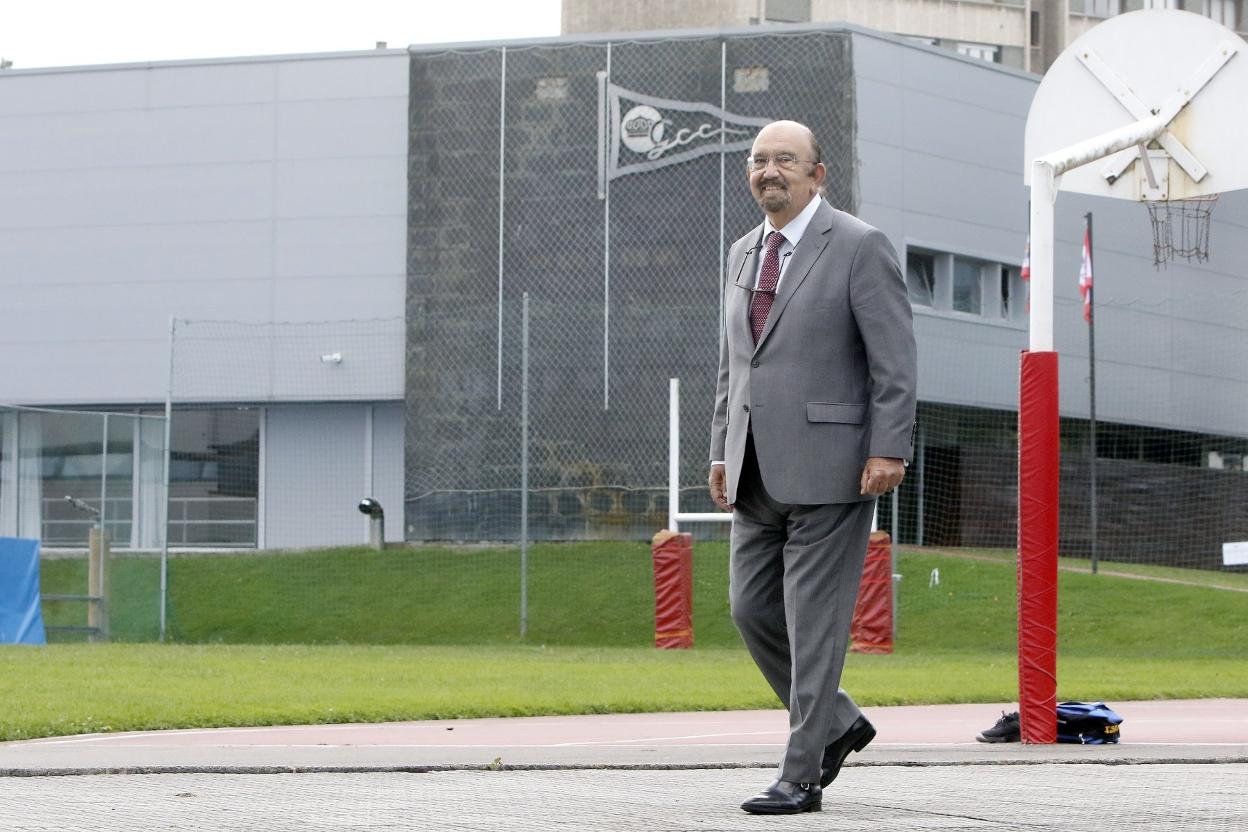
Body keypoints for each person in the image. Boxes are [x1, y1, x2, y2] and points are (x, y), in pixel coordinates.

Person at [708, 120, 917, 815]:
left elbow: (894, 361)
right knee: (749, 610)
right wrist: (719, 448)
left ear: (817, 174)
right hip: (754, 470)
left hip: (834, 469)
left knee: (813, 626)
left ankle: (801, 775)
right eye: (760, 161)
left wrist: (890, 446)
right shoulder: (743, 251)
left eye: (786, 161)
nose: (771, 171)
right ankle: (838, 723)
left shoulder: (858, 246)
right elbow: (734, 365)